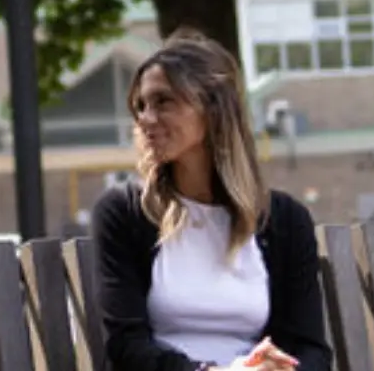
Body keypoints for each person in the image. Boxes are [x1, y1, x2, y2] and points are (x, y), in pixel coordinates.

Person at [91, 28, 332, 371]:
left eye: (163, 102)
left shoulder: (284, 220)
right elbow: (127, 346)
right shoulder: (125, 213)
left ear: (213, 109)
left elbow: (311, 350)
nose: (145, 119)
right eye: (140, 106)